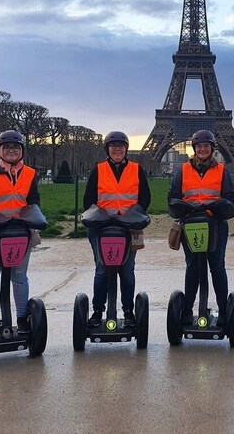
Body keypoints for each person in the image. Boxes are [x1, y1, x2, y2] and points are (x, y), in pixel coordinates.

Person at [167, 130, 234, 327]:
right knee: (193, 268)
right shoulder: (183, 170)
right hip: (191, 224)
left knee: (217, 267)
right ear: (194, 149)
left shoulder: (222, 170)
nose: (203, 149)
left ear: (212, 148)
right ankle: (188, 310)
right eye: (199, 146)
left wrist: (217, 207)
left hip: (215, 224)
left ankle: (223, 311)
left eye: (206, 146)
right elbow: (173, 196)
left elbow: (231, 199)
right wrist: (182, 207)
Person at [0, 130, 40, 338]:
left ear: (21, 151)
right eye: (7, 148)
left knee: (19, 277)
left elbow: (34, 201)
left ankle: (22, 319)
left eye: (15, 147)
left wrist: (34, 222)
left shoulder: (30, 173)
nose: (11, 151)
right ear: (0, 151)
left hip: (20, 232)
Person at [82, 131, 151, 327]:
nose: (117, 149)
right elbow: (89, 200)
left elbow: (145, 198)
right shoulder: (99, 169)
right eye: (113, 146)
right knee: (102, 269)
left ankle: (128, 311)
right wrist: (100, 217)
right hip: (102, 227)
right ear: (107, 149)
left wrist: (133, 216)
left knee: (127, 270)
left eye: (121, 145)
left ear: (126, 148)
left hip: (128, 227)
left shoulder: (137, 169)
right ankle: (97, 311)